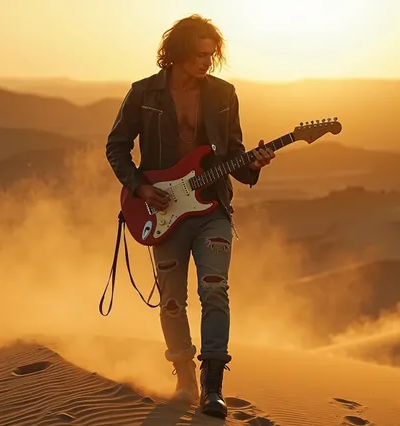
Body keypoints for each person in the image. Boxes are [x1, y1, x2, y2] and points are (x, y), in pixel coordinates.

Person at [105, 14, 275, 419]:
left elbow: (233, 154)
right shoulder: (143, 93)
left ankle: (213, 387)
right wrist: (142, 189)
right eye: (200, 54)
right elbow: (116, 147)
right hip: (161, 211)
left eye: (211, 54)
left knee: (214, 288)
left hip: (212, 207)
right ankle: (184, 378)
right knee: (171, 301)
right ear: (179, 52)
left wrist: (255, 165)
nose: (207, 61)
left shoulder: (223, 94)